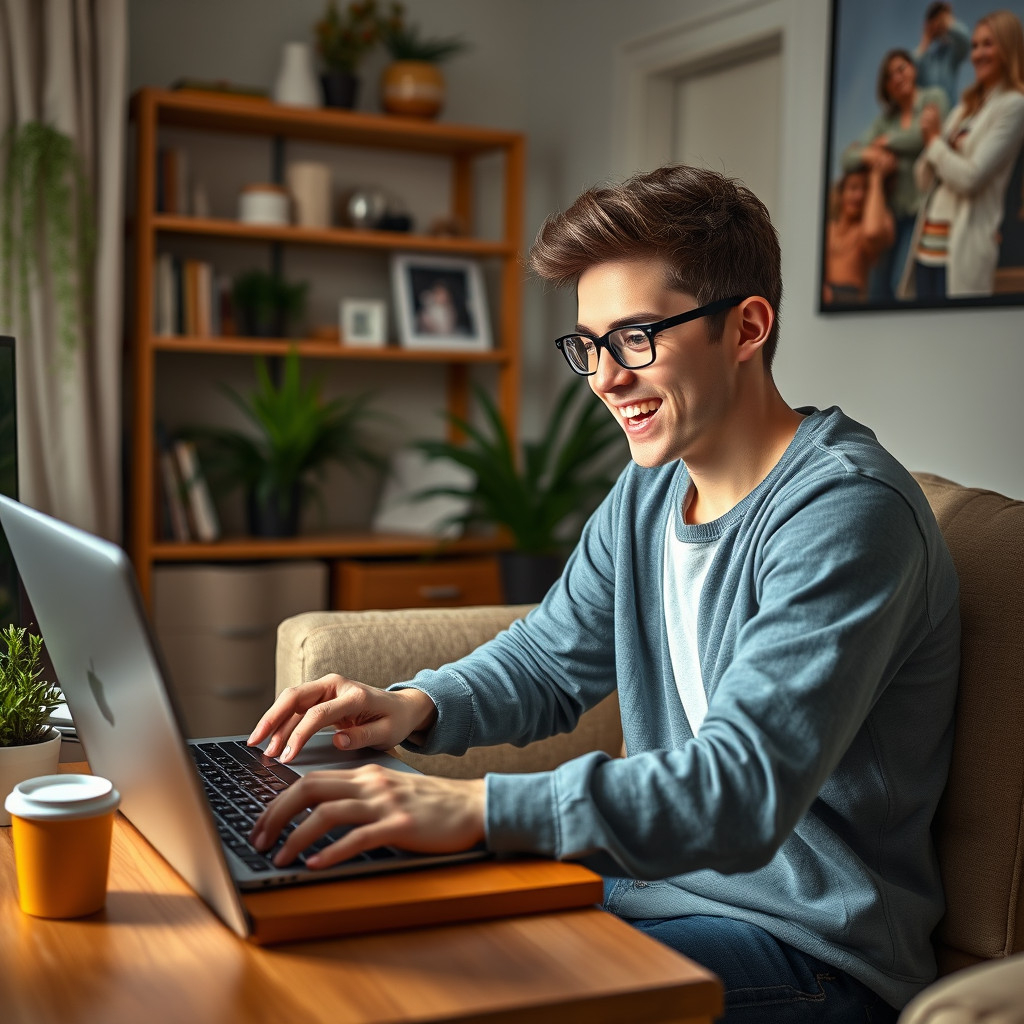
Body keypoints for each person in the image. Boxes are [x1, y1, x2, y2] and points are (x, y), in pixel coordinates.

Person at [246, 164, 960, 1023]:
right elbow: (552, 658)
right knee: (346, 937)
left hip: (805, 947)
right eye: (589, 345)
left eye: (636, 338)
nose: (605, 379)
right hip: (646, 891)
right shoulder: (651, 489)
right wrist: (415, 706)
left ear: (747, 328)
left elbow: (741, 790)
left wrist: (471, 807)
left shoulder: (845, 512)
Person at [901, 9, 1024, 299]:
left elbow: (971, 178)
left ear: (1009, 47)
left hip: (960, 251)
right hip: (925, 248)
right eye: (975, 45)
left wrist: (934, 143)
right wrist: (937, 147)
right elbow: (923, 178)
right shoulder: (962, 109)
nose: (977, 54)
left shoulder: (1014, 105)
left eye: (988, 44)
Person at [842, 48, 949, 301]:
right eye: (890, 76)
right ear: (886, 87)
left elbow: (928, 137)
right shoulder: (885, 119)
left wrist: (887, 141)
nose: (898, 77)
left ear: (913, 69)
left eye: (902, 68)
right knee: (877, 288)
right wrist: (869, 155)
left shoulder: (933, 97)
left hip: (922, 211)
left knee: (901, 283)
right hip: (890, 215)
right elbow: (847, 159)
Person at [823, 154, 896, 304]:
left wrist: (876, 179)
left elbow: (873, 232)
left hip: (851, 300)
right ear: (841, 192)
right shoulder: (829, 229)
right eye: (853, 188)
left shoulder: (871, 227)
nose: (859, 196)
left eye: (866, 190)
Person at [915, 2, 972, 109]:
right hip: (926, 115)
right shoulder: (926, 57)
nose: (938, 24)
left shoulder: (950, 52)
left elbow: (966, 42)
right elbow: (912, 72)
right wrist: (926, 39)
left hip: (949, 113)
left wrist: (949, 23)